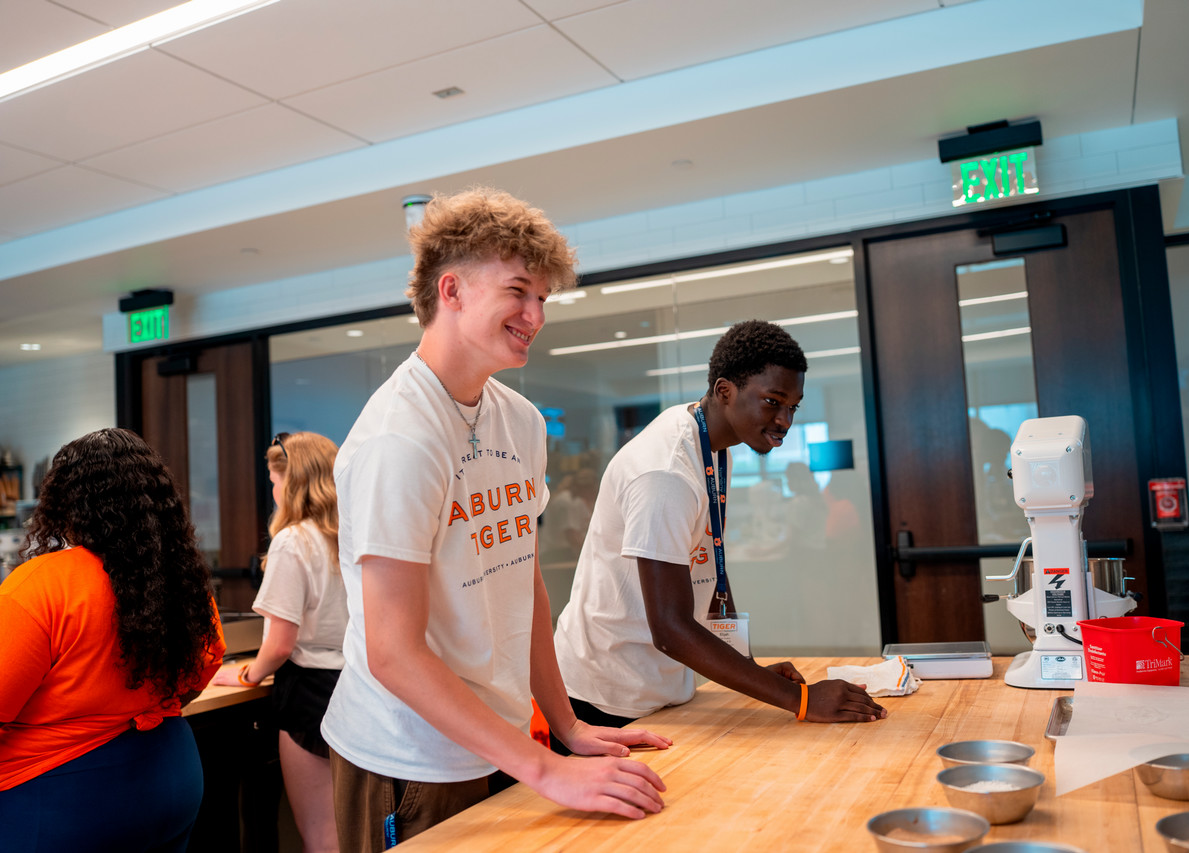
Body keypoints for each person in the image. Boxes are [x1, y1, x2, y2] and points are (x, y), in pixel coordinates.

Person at [320, 188, 669, 852]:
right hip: (407, 757)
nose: (536, 314)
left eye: (543, 298)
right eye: (519, 291)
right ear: (451, 291)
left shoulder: (522, 420)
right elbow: (392, 653)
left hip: (502, 742)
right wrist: (547, 769)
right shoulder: (399, 438)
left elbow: (520, 577)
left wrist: (565, 725)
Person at [553, 320, 888, 733]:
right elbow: (671, 630)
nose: (785, 420)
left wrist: (752, 670)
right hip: (607, 695)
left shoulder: (711, 443)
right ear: (724, 391)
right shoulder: (667, 472)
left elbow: (702, 573)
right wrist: (799, 700)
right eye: (772, 401)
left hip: (663, 684)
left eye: (793, 406)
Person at [0, 428, 225, 852]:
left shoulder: (40, 584)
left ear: (64, 503)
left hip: (60, 796)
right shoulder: (181, 579)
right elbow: (194, 678)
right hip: (170, 778)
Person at [210, 431, 346, 853]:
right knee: (354, 821)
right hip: (357, 687)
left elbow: (281, 644)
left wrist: (247, 674)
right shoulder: (351, 536)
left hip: (308, 696)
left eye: (274, 481)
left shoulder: (293, 542)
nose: (273, 491)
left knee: (321, 832)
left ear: (295, 480)